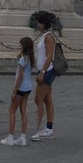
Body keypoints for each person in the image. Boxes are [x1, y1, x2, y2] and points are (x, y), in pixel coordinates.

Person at [28, 11, 61, 141]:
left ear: (43, 24)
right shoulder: (43, 36)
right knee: (47, 100)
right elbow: (42, 56)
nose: (37, 24)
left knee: (38, 99)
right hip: (44, 70)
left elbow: (49, 56)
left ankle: (38, 130)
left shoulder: (49, 37)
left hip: (47, 72)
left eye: (39, 22)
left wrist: (42, 72)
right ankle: (49, 128)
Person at [3, 37, 37, 147]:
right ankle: (22, 137)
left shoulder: (23, 60)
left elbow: (20, 77)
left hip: (21, 88)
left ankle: (10, 137)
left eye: (21, 45)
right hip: (28, 88)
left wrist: (14, 91)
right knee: (23, 111)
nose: (20, 47)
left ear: (24, 47)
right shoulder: (31, 59)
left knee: (11, 111)